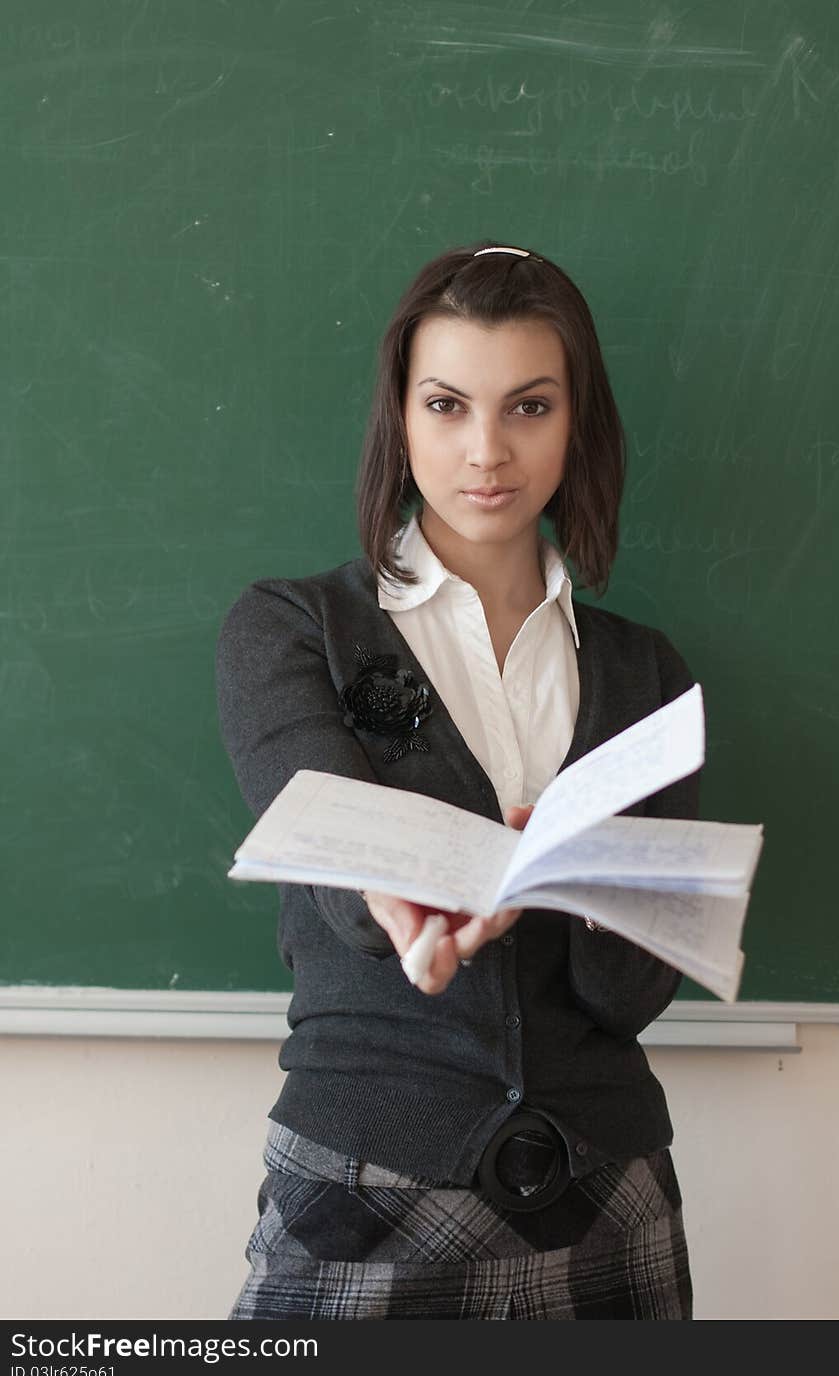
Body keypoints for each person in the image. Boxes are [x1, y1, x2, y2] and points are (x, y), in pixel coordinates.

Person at [215, 240, 699, 1320]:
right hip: (367, 1178)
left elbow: (633, 990)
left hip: (607, 1192)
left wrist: (579, 883)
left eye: (528, 407)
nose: (485, 450)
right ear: (400, 415)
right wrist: (409, 904)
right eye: (446, 405)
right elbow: (333, 843)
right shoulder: (293, 629)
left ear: (577, 425)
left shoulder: (647, 673)